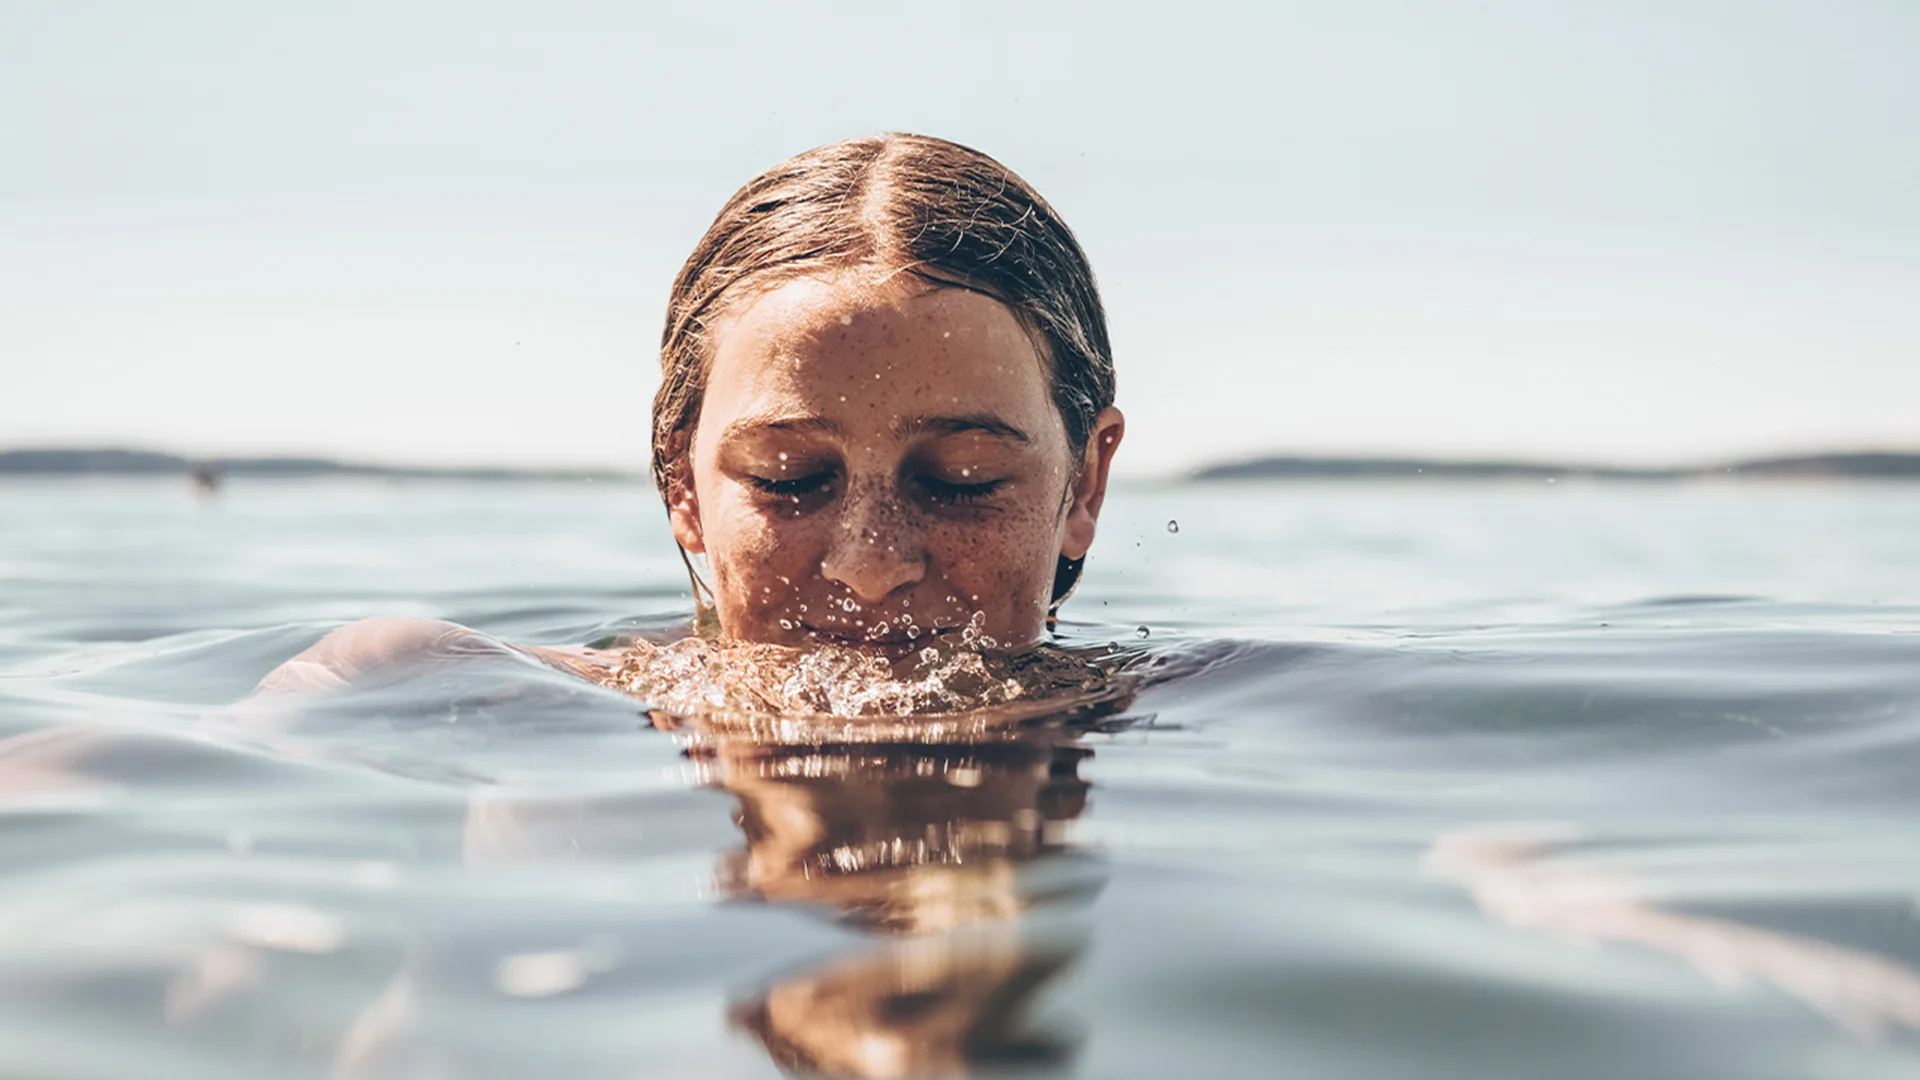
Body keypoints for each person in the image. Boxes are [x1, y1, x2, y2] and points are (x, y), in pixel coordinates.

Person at [260, 132, 1126, 698]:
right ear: (683, 487)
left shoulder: (1209, 712)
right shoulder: (430, 685)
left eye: (960, 480)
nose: (871, 564)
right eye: (790, 479)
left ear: (1083, 487)